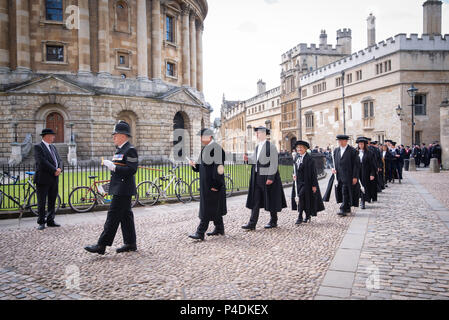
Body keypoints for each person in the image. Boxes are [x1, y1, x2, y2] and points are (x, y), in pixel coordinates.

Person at [85, 121, 138, 255]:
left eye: (115, 135)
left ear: (123, 135)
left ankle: (101, 245)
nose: (113, 137)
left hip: (123, 189)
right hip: (119, 188)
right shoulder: (119, 150)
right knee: (126, 217)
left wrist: (113, 167)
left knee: (112, 216)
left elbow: (132, 170)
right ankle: (130, 243)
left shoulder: (130, 150)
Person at [242, 126, 287, 230]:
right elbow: (255, 160)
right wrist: (247, 159)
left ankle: (273, 221)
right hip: (257, 177)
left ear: (263, 134)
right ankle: (252, 224)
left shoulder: (271, 146)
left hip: (267, 177)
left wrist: (271, 177)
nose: (256, 134)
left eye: (258, 133)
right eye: (256, 133)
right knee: (255, 200)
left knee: (271, 198)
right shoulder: (257, 147)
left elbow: (274, 162)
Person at [188, 129, 227, 241]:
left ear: (209, 137)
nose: (200, 139)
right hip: (206, 185)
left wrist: (217, 185)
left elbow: (219, 168)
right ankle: (219, 228)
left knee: (207, 209)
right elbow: (202, 167)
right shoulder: (205, 149)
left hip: (213, 185)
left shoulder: (217, 149)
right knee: (214, 207)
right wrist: (194, 165)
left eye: (202, 137)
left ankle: (200, 233)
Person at [34, 128, 63, 230]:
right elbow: (42, 162)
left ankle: (50, 220)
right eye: (52, 135)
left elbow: (59, 159)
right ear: (46, 136)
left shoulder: (53, 147)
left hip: (54, 179)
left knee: (52, 200)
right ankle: (41, 222)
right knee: (42, 201)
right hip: (43, 178)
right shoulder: (38, 147)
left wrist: (59, 168)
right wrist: (54, 170)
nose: (54, 137)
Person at [291, 140, 325, 225]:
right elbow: (295, 169)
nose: (299, 149)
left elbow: (313, 173)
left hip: (307, 182)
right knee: (302, 199)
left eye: (301, 147)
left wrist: (314, 185)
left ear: (305, 149)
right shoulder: (296, 158)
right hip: (298, 183)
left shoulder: (309, 159)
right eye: (298, 147)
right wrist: (293, 175)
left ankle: (300, 216)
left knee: (301, 197)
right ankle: (307, 215)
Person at [332, 135, 360, 216]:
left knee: (345, 191)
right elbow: (335, 162)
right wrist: (333, 169)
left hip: (348, 175)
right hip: (339, 175)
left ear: (346, 141)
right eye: (339, 141)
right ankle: (347, 207)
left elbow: (356, 165)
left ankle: (343, 208)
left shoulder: (352, 151)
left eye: (342, 141)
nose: (340, 142)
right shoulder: (336, 150)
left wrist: (355, 177)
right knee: (342, 191)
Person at [356, 138, 377, 210]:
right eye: (359, 144)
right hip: (358, 171)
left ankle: (363, 201)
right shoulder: (356, 152)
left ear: (364, 145)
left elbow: (372, 164)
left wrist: (372, 173)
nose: (360, 145)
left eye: (362, 144)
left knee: (364, 186)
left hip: (366, 172)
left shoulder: (369, 153)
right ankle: (359, 199)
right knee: (358, 185)